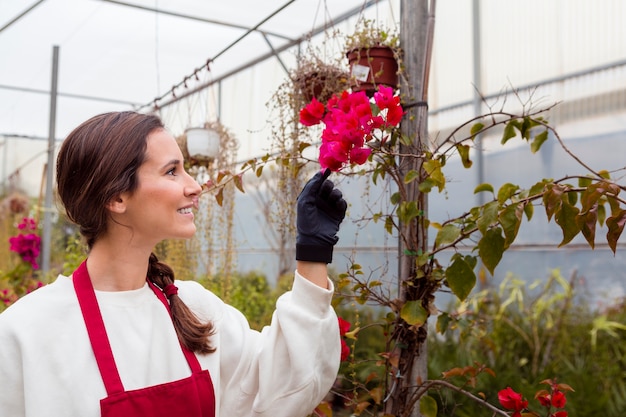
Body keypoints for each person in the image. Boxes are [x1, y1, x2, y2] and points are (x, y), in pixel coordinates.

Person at [0, 111, 348, 417]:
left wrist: (313, 253)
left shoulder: (194, 308)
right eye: (172, 172)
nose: (195, 186)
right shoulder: (26, 333)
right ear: (116, 197)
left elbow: (281, 387)